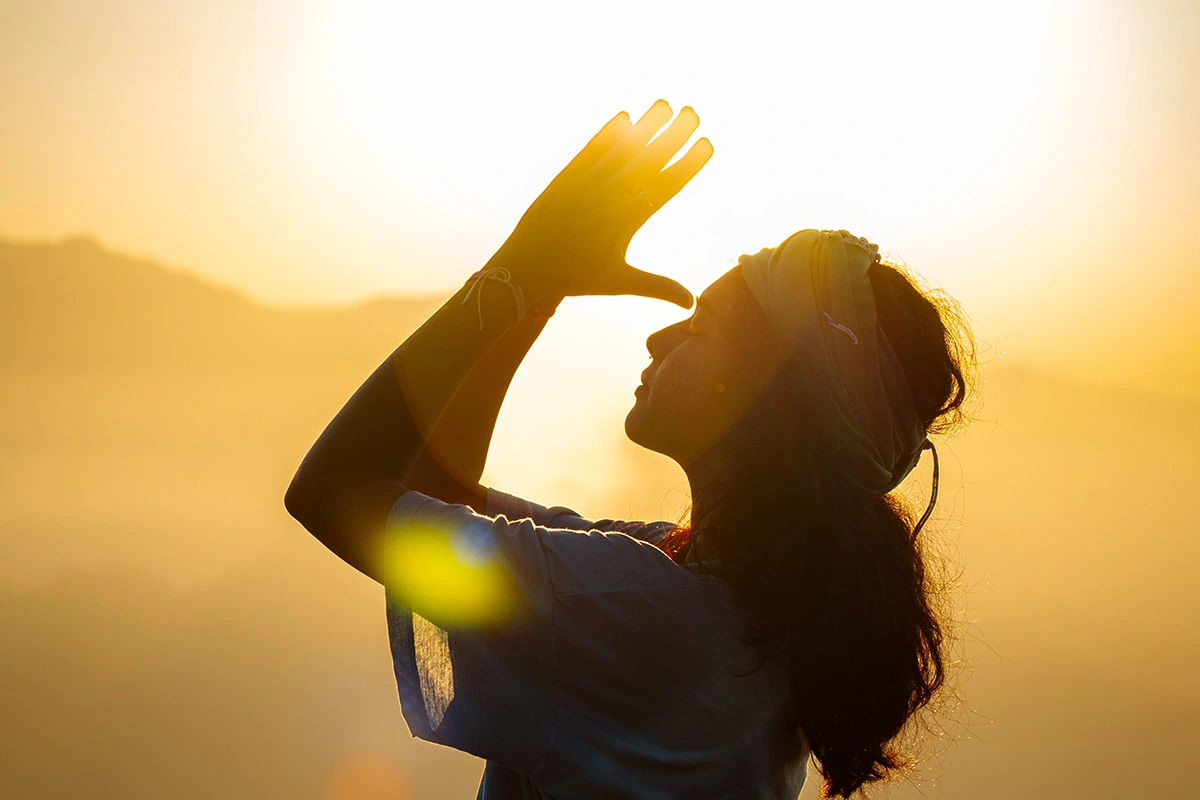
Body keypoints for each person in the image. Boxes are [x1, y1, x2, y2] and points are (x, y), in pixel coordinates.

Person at [285, 99, 977, 799]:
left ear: (759, 394)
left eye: (700, 328)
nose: (660, 338)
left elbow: (333, 491)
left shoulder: (636, 608)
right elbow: (442, 488)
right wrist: (537, 290)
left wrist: (520, 265)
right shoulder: (743, 599)